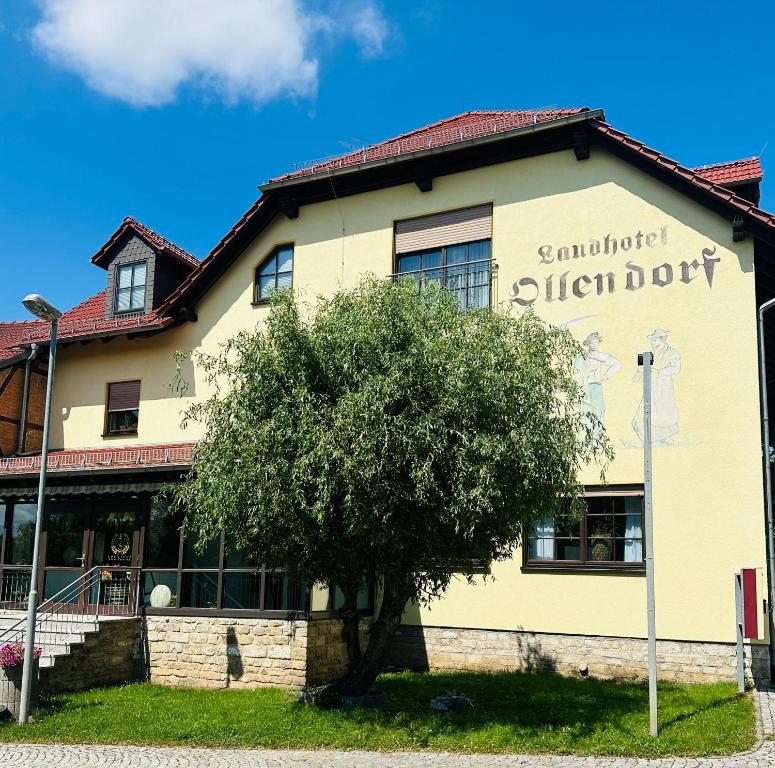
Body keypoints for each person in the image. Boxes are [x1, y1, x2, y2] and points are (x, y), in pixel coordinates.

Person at [633, 329, 681, 444]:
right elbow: (641, 370)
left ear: (662, 339)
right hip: (651, 385)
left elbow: (676, 369)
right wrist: (639, 373)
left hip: (664, 386)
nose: (652, 342)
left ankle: (663, 438)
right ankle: (650, 438)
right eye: (651, 340)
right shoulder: (649, 354)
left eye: (654, 340)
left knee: (664, 410)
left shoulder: (673, 352)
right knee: (646, 410)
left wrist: (659, 372)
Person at [573, 332, 621, 430]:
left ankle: (598, 437)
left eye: (596, 342)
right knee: (585, 410)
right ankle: (585, 436)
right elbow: (576, 375)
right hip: (585, 387)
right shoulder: (582, 358)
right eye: (592, 343)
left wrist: (606, 375)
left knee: (599, 411)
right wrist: (588, 371)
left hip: (596, 386)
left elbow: (617, 364)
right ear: (588, 344)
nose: (594, 345)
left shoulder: (601, 356)